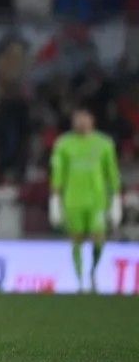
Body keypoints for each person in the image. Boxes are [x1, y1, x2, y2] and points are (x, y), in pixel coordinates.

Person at [48, 108, 123, 293]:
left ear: (92, 120)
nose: (80, 122)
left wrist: (116, 199)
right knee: (76, 239)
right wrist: (55, 201)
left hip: (97, 199)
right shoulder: (64, 144)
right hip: (73, 199)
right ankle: (80, 282)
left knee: (99, 239)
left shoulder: (104, 143)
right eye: (77, 118)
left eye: (84, 118)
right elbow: (58, 173)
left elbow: (111, 172)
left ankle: (93, 271)